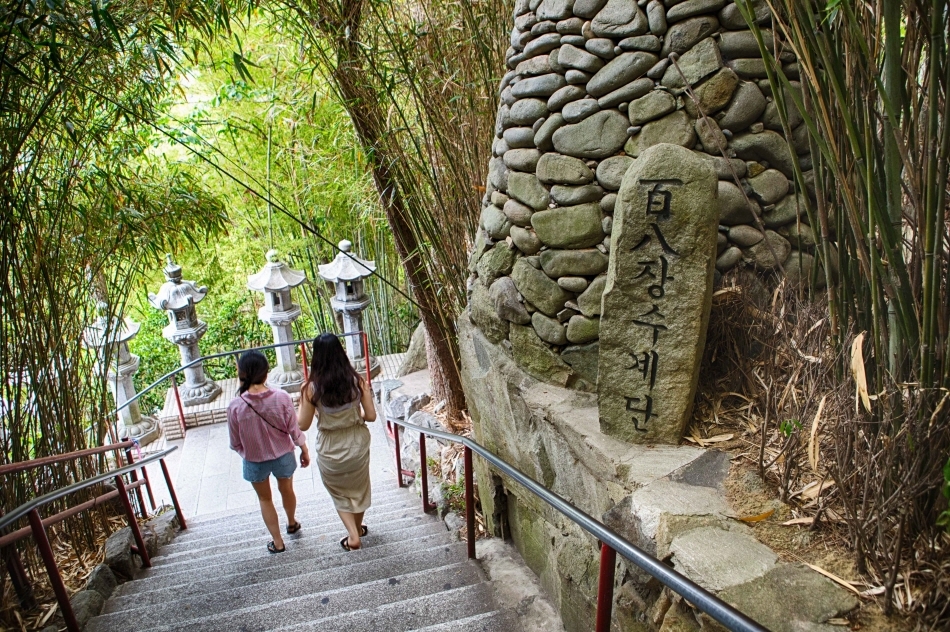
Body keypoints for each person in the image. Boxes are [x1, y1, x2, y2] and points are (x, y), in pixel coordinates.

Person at [298, 333, 377, 551]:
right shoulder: (357, 381)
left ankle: (353, 535)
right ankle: (357, 529)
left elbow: (302, 425)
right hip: (356, 443)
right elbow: (371, 416)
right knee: (359, 489)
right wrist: (354, 416)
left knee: (339, 493)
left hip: (330, 448)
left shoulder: (311, 388)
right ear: (341, 353)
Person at [227, 351, 310, 554]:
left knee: (265, 499)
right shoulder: (281, 397)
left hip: (254, 461)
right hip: (283, 455)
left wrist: (250, 451)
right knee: (287, 489)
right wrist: (304, 449)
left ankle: (278, 542)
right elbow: (293, 429)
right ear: (266, 373)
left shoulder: (235, 406)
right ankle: (292, 522)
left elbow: (235, 442)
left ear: (242, 373)